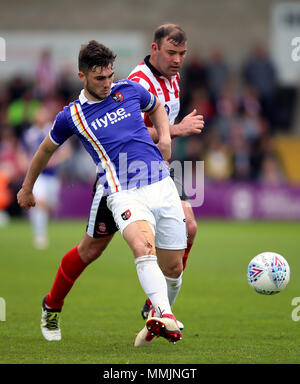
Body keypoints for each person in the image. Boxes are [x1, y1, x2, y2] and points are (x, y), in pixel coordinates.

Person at [17, 40, 188, 346]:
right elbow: (45, 149)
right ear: (81, 76)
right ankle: (52, 306)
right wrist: (27, 187)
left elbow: (157, 106)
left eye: (110, 75)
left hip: (159, 184)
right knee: (102, 250)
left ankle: (157, 319)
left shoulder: (129, 90)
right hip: (119, 190)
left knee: (174, 265)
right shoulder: (72, 116)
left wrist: (165, 139)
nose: (108, 83)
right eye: (100, 78)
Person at [128, 24, 203, 327]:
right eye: (171, 52)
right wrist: (176, 129)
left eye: (182, 54)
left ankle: (156, 310)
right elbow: (130, 132)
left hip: (160, 168)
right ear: (154, 48)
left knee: (191, 228)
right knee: (91, 248)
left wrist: (171, 133)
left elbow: (163, 129)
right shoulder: (137, 81)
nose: (177, 59)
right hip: (131, 167)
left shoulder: (175, 78)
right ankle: (52, 304)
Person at [21, 106, 72, 249]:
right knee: (39, 202)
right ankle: (40, 236)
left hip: (52, 175)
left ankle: (40, 225)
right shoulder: (29, 134)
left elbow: (66, 151)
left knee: (50, 205)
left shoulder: (54, 130)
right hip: (38, 176)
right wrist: (28, 165)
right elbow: (23, 153)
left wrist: (53, 161)